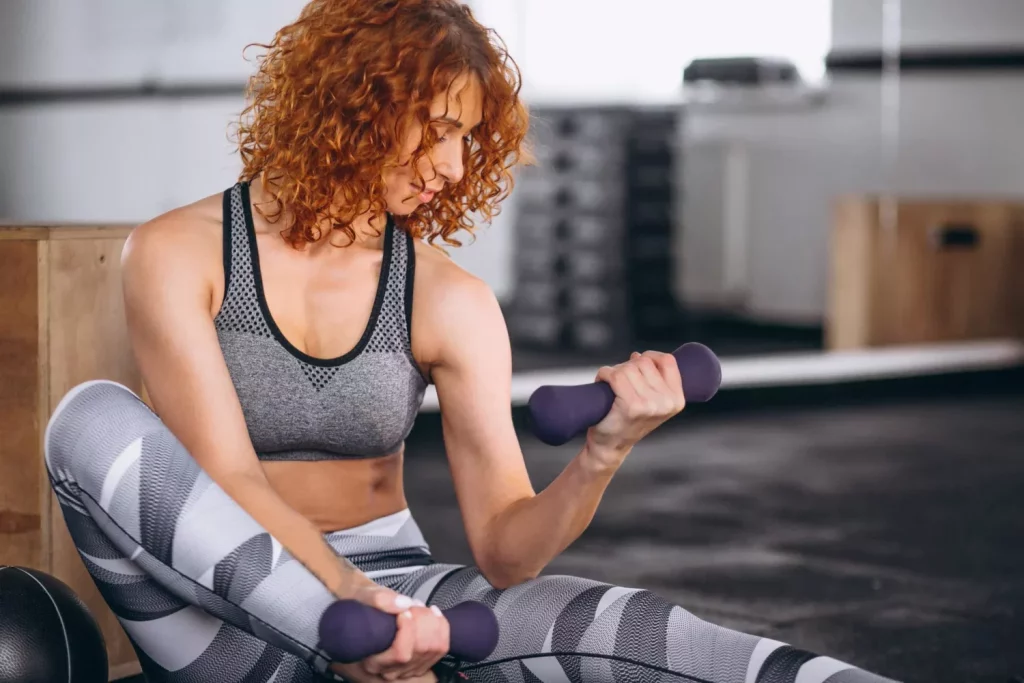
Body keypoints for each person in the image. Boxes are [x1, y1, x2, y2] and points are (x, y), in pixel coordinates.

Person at [43, 1, 898, 682]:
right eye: (437, 128)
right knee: (89, 419)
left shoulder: (448, 299)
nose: (455, 168)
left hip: (408, 601)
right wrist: (352, 607)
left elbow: (505, 551)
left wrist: (604, 451)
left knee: (623, 624)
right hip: (224, 625)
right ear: (352, 105)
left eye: (466, 138)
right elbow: (228, 476)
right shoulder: (175, 252)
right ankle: (359, 654)